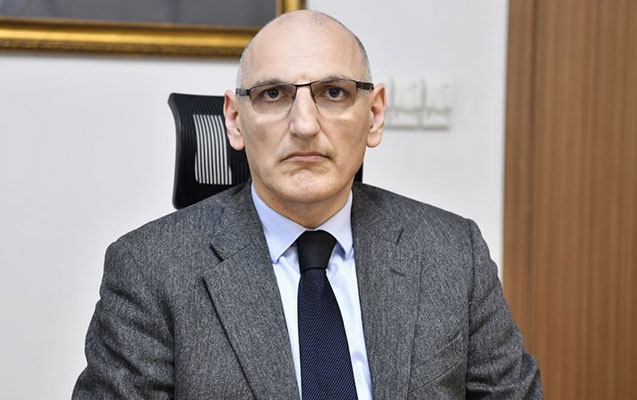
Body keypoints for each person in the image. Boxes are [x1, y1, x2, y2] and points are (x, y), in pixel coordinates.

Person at [73, 10, 542, 400]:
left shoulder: (453, 253)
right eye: (272, 94)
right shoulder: (149, 270)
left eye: (333, 92)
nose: (304, 125)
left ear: (375, 114)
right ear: (234, 120)